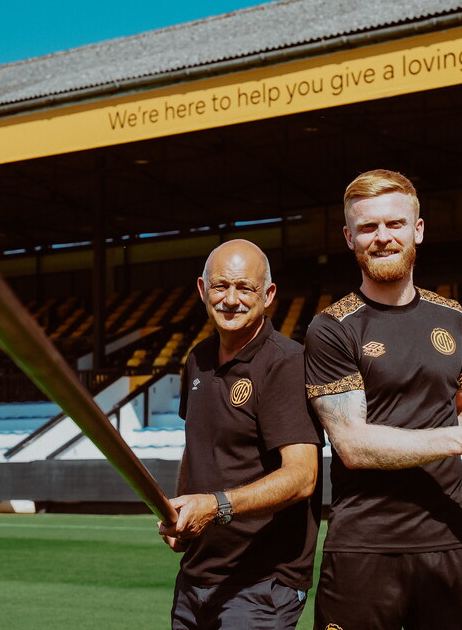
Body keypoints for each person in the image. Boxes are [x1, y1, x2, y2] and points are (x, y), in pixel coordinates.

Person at [303, 169, 462, 630]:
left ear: (418, 230)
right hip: (364, 546)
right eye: (368, 228)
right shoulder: (331, 328)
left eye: (395, 224)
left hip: (449, 540)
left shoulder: (451, 316)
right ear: (349, 238)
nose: (382, 237)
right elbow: (353, 444)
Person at [159, 239, 324, 630]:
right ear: (202, 290)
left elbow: (303, 477)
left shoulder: (286, 362)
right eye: (220, 286)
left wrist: (215, 506)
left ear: (267, 295)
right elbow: (196, 446)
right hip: (196, 577)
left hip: (261, 584)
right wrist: (180, 515)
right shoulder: (196, 358)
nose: (231, 299)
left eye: (245, 288)